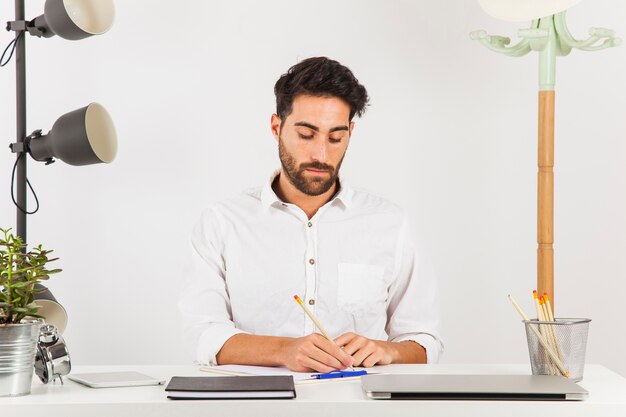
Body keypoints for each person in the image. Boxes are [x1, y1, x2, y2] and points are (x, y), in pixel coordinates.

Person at [180, 57, 443, 373]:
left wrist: (388, 351)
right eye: (306, 134)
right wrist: (284, 350)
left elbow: (425, 342)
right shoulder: (223, 223)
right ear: (277, 127)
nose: (321, 154)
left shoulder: (390, 223)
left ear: (350, 133)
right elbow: (203, 335)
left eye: (336, 137)